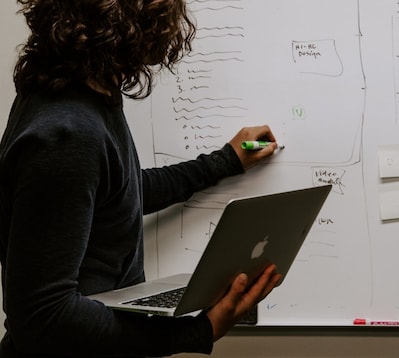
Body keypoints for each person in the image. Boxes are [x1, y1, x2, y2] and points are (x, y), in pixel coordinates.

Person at [0, 0, 283, 357]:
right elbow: (43, 317)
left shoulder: (82, 95)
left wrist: (224, 162)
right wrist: (199, 331)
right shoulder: (66, 132)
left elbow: (118, 194)